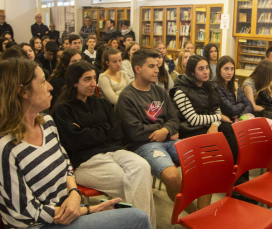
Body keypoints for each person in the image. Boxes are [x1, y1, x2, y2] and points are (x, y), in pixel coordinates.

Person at [0, 58, 151, 229]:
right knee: (137, 216)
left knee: (142, 169)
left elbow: (65, 163)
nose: (50, 87)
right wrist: (87, 210)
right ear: (23, 92)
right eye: (43, 81)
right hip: (45, 223)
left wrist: (74, 193)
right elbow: (22, 213)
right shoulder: (6, 148)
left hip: (71, 206)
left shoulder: (47, 123)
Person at [53, 61, 156, 228]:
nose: (94, 84)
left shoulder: (101, 103)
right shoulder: (63, 109)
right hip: (85, 161)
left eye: (94, 78)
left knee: (143, 167)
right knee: (133, 183)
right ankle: (145, 225)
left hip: (114, 151)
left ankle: (141, 225)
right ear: (74, 82)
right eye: (87, 80)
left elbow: (117, 132)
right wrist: (104, 128)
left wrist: (88, 130)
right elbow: (75, 141)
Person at [115, 49, 201, 212]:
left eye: (157, 66)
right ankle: (194, 215)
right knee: (172, 176)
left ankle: (203, 214)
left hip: (168, 140)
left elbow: (175, 118)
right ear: (138, 69)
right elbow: (136, 132)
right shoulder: (127, 97)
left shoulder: (159, 91)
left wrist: (165, 131)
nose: (157, 70)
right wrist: (165, 130)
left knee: (203, 164)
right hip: (144, 145)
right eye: (151, 66)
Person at [170, 55, 237, 162]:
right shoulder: (180, 91)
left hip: (208, 124)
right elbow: (193, 120)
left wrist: (215, 125)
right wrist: (219, 117)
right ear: (192, 72)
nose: (206, 72)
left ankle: (237, 173)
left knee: (230, 128)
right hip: (190, 129)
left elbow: (216, 109)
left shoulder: (210, 86)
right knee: (218, 139)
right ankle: (219, 173)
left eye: (207, 67)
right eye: (201, 69)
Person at [213, 56, 253, 121]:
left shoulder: (235, 84)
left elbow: (250, 105)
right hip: (226, 121)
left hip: (240, 118)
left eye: (232, 69)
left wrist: (240, 115)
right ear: (219, 69)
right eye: (226, 69)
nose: (230, 72)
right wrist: (242, 105)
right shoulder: (215, 86)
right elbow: (231, 110)